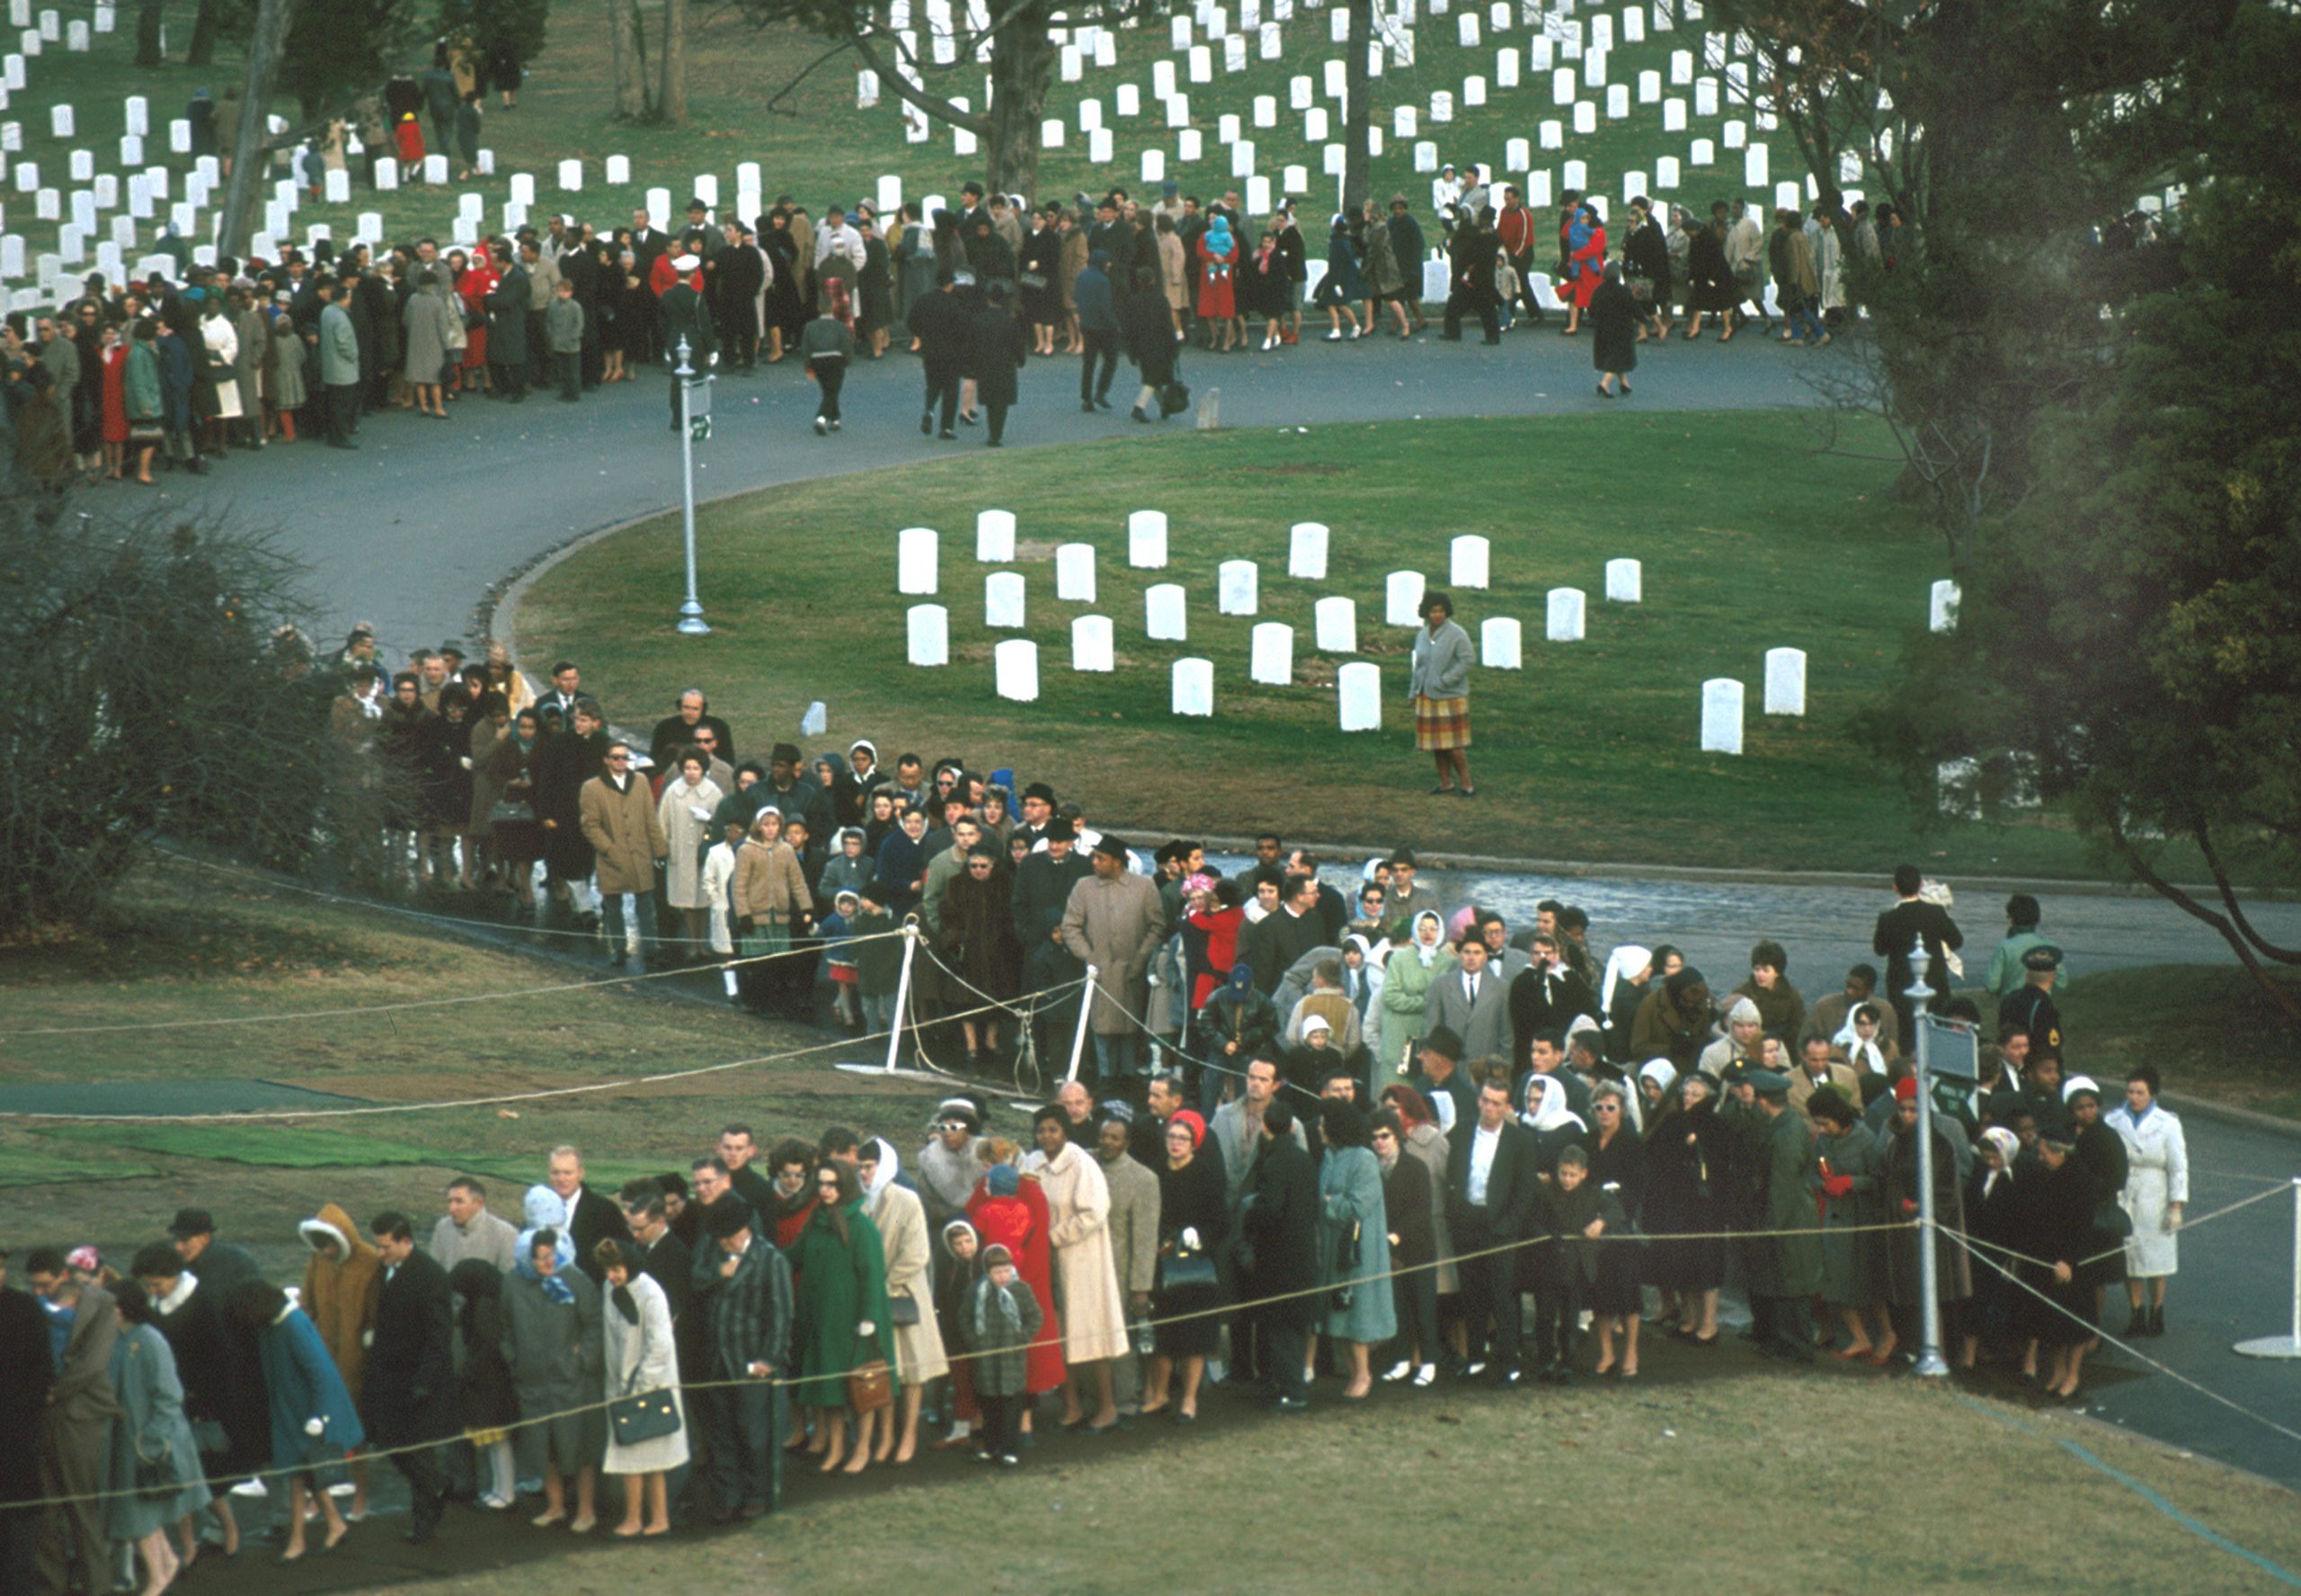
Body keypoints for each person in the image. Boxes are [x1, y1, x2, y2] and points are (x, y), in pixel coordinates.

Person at [227, 1277, 362, 1564]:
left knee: (298, 1475)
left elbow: (319, 1372)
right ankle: (333, 1524)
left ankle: (298, 1539)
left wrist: (320, 1416)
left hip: (306, 1414)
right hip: (289, 1411)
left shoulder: (292, 1325)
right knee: (301, 1473)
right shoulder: (271, 1326)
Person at [1020, 1108, 1129, 1431]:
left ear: (1065, 1132)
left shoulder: (1082, 1164)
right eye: (1042, 1131)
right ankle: (1072, 1407)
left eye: (1054, 1130)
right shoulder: (1030, 1165)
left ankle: (1107, 1407)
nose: (1047, 1137)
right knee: (1057, 1333)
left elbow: (1095, 1211)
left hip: (1082, 1262)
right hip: (1043, 1263)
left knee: (1092, 1334)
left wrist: (1052, 1237)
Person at [692, 1197, 792, 1521]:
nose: (724, 1242)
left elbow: (780, 1314)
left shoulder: (770, 1259)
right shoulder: (713, 1253)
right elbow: (695, 1280)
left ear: (744, 1229)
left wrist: (770, 1358)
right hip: (717, 1360)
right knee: (721, 1433)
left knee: (753, 1433)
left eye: (728, 1236)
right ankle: (727, 1496)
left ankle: (756, 1494)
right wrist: (719, 1273)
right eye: (720, 1237)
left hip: (751, 1362)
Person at [501, 1225, 604, 1531]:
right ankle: (555, 1506)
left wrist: (581, 1358)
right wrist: (515, 1360)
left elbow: (594, 1324)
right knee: (542, 1447)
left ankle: (586, 1511)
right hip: (532, 1381)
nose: (548, 1263)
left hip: (572, 1381)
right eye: (540, 1257)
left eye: (551, 1255)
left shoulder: (575, 1280)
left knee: (581, 1448)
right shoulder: (513, 1284)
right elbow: (505, 1327)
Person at [792, 1161, 893, 1474]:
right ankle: (836, 1448)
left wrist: (869, 1318)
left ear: (845, 1186)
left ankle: (862, 1448)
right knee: (830, 1389)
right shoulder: (815, 1222)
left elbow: (873, 1276)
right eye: (821, 1183)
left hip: (853, 1322)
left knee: (862, 1386)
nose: (826, 1190)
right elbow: (791, 1256)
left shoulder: (862, 1228)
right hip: (821, 1320)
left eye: (833, 1184)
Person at [28, 1249, 118, 1596]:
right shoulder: (34, 1307)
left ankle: (96, 1585)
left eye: (44, 1284)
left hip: (80, 1415)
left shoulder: (102, 1304)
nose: (38, 1291)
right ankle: (53, 1584)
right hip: (41, 1415)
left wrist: (52, 1393)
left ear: (62, 1276)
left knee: (82, 1506)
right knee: (45, 1508)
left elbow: (93, 1363)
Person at [362, 1211, 454, 1545]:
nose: (381, 1253)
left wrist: (424, 1384)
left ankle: (424, 1521)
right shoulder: (387, 1271)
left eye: (386, 1247)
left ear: (405, 1241)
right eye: (377, 1247)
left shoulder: (430, 1277)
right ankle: (436, 1486)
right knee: (390, 1444)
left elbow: (438, 1337)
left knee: (416, 1451)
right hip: (388, 1378)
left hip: (417, 1382)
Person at [857, 1139, 948, 1465]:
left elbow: (917, 1253)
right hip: (874, 1298)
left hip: (905, 1294)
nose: (865, 1174)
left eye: (870, 1167)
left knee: (912, 1371)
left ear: (885, 1166)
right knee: (885, 1369)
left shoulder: (907, 1200)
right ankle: (886, 1436)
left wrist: (885, 1284)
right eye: (861, 1167)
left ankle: (909, 1434)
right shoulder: (859, 1203)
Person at [1444, 1078, 1538, 1384]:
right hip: (1467, 1221)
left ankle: (1510, 1362)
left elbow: (1524, 1192)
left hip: (1499, 1226)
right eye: (1486, 1100)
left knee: (1503, 1296)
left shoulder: (1520, 1140)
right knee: (1471, 1294)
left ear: (1507, 1107)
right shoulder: (1462, 1131)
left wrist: (1507, 1226)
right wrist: (1455, 1215)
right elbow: (1452, 1175)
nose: (1489, 1108)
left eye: (1497, 1103)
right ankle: (1475, 1357)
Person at [593, 1239, 688, 1538]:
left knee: (652, 1456)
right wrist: (615, 1386)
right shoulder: (609, 1290)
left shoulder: (651, 1293)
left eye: (617, 1269)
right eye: (608, 1269)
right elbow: (611, 1339)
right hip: (620, 1386)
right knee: (629, 1455)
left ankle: (659, 1519)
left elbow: (660, 1346)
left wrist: (640, 1386)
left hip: (651, 1387)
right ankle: (633, 1518)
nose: (612, 1276)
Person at [1059, 835, 1168, 1092]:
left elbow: (1157, 926)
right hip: (1099, 972)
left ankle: (1128, 1078)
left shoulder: (1144, 887)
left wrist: (1142, 957)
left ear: (1117, 862)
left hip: (1133, 971)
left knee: (1130, 1027)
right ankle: (1105, 1079)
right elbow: (1070, 926)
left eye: (1101, 858)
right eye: (1094, 857)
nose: (1095, 863)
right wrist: (1089, 956)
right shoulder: (1084, 887)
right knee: (1102, 1027)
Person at [1237, 1097, 1321, 1410]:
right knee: (1295, 1327)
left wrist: (1250, 1214)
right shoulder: (1304, 1159)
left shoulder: (1274, 1162)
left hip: (1278, 1257)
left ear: (1266, 1127)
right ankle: (1290, 1385)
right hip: (1303, 1254)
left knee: (1279, 1328)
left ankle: (1292, 1392)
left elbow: (1271, 1209)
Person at [1312, 1099, 1395, 1401]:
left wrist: (1329, 1204)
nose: (1320, 1128)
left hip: (1359, 1250)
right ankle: (1352, 1372)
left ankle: (1364, 1373)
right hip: (1332, 1247)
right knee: (1337, 1314)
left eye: (1324, 1122)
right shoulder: (1329, 1156)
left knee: (1356, 1311)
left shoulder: (1364, 1159)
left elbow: (1360, 1205)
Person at [2112, 1065, 2187, 1336]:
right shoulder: (2114, 1120)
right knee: (2130, 1256)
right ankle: (2136, 1312)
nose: (2134, 1097)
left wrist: (2176, 1205)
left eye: (2140, 1092)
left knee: (2156, 1256)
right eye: (2130, 1091)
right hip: (2126, 1192)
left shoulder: (2168, 1124)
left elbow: (2178, 1167)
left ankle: (2157, 1310)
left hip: (2155, 1195)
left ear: (2152, 1094)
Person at [445, 1260, 520, 1511]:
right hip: (488, 1382)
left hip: (490, 1383)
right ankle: (500, 1490)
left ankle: (505, 1491)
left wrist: (470, 1370)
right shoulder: (485, 1303)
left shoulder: (484, 1309)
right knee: (493, 1440)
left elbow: (487, 1346)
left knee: (498, 1440)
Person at [962, 1244, 1044, 1466]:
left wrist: (1022, 1337)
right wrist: (974, 1341)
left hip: (1012, 1360)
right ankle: (990, 1446)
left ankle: (1010, 1450)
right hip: (986, 1359)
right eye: (997, 1272)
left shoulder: (1021, 1290)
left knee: (1011, 1405)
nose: (1003, 1276)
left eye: (1006, 1270)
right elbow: (965, 1319)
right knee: (989, 1405)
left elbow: (1036, 1317)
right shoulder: (976, 1291)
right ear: (987, 1272)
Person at [1408, 590, 1475, 797]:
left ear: (1446, 612)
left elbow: (1468, 660)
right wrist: (1413, 691)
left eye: (1441, 611)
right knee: (1437, 744)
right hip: (1426, 694)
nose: (1437, 615)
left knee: (1454, 746)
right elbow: (1418, 666)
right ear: (1426, 613)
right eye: (1433, 611)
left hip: (1450, 696)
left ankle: (1466, 784)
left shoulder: (1457, 633)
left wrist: (1445, 680)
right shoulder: (1422, 634)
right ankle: (1445, 782)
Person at [967, 280, 1028, 446]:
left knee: (990, 401)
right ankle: (996, 434)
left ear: (988, 300)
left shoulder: (979, 320)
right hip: (1005, 366)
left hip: (985, 364)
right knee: (1001, 403)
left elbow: (971, 344)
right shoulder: (1009, 322)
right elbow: (1018, 344)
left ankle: (992, 432)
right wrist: (1021, 360)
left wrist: (970, 366)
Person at [801, 279, 856, 435]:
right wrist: (848, 360)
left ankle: (835, 419)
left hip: (817, 360)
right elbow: (846, 345)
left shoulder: (810, 327)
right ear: (833, 307)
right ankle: (821, 418)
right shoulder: (839, 326)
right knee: (833, 391)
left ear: (819, 308)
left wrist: (808, 367)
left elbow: (806, 348)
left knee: (828, 391)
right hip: (835, 360)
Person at [1589, 261, 1639, 397]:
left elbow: (1591, 310)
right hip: (1622, 328)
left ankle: (1624, 383)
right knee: (1618, 355)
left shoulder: (1599, 290)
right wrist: (1643, 320)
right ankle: (1604, 384)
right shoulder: (1623, 290)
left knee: (1614, 355)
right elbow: (1634, 308)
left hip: (1602, 329)